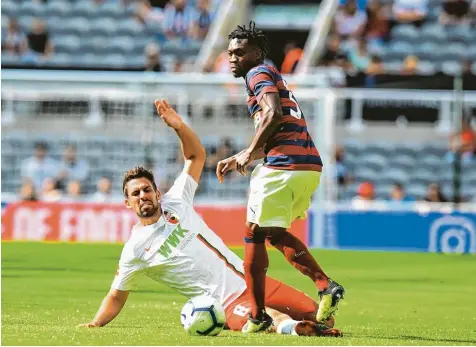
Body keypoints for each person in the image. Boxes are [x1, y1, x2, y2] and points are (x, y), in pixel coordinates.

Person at [78, 100, 343, 338]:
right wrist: (96, 323)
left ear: (157, 193)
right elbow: (116, 295)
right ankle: (293, 329)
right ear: (127, 203)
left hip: (252, 281)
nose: (143, 195)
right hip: (223, 303)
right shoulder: (135, 249)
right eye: (135, 193)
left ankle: (300, 324)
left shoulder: (177, 201)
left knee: (325, 316)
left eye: (147, 189)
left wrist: (179, 126)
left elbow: (196, 156)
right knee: (274, 319)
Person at [216, 22, 345, 333]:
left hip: (283, 168)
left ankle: (318, 288)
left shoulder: (257, 73)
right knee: (265, 233)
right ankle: (262, 314)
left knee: (254, 234)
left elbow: (273, 113)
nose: (233, 58)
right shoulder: (273, 78)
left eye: (240, 52)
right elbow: (279, 126)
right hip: (306, 167)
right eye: (230, 53)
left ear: (257, 53)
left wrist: (248, 152)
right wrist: (243, 155)